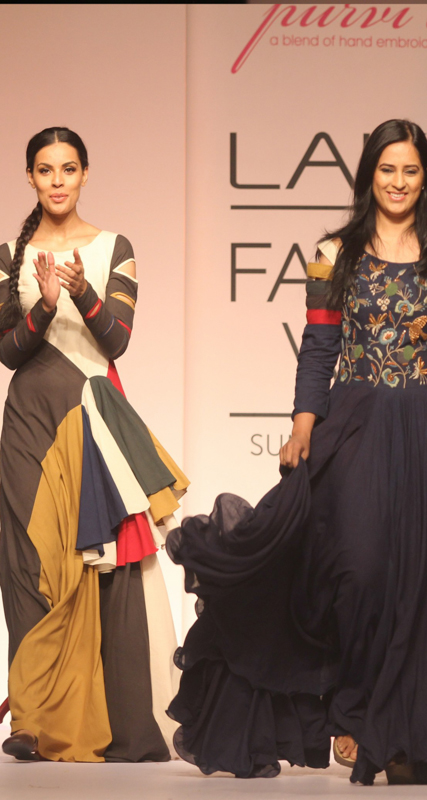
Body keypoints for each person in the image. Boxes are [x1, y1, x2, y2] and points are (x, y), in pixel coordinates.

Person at [165, 119, 427, 785]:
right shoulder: (332, 255)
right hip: (358, 426)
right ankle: (352, 706)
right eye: (387, 169)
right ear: (369, 175)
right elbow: (319, 347)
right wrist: (302, 424)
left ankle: (400, 733)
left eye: (410, 170)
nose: (398, 182)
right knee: (359, 573)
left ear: (426, 178)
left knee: (426, 586)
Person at [0, 127, 189, 763]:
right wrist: (43, 306)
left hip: (93, 418)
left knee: (98, 562)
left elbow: (117, 342)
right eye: (45, 169)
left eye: (68, 168)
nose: (57, 180)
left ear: (85, 174)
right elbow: (7, 353)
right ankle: (30, 721)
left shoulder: (114, 248)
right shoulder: (9, 255)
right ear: (30, 177)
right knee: (29, 562)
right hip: (29, 420)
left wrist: (81, 292)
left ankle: (106, 718)